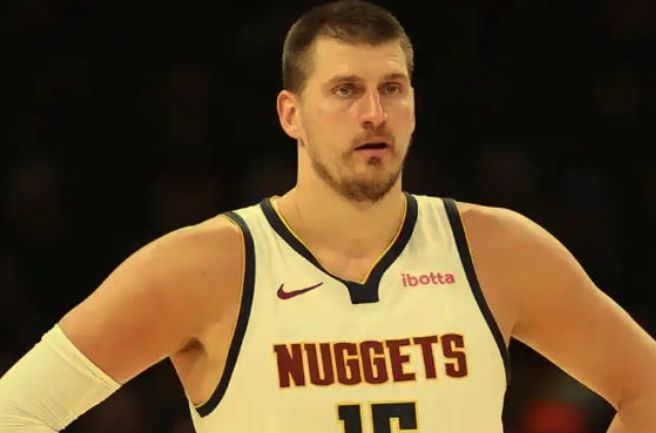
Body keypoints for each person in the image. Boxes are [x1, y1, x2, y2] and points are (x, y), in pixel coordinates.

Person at [1, 1, 655, 432]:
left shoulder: (497, 250)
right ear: (291, 114)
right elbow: (17, 411)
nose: (374, 113)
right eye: (345, 90)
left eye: (391, 89)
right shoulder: (206, 265)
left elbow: (646, 388)